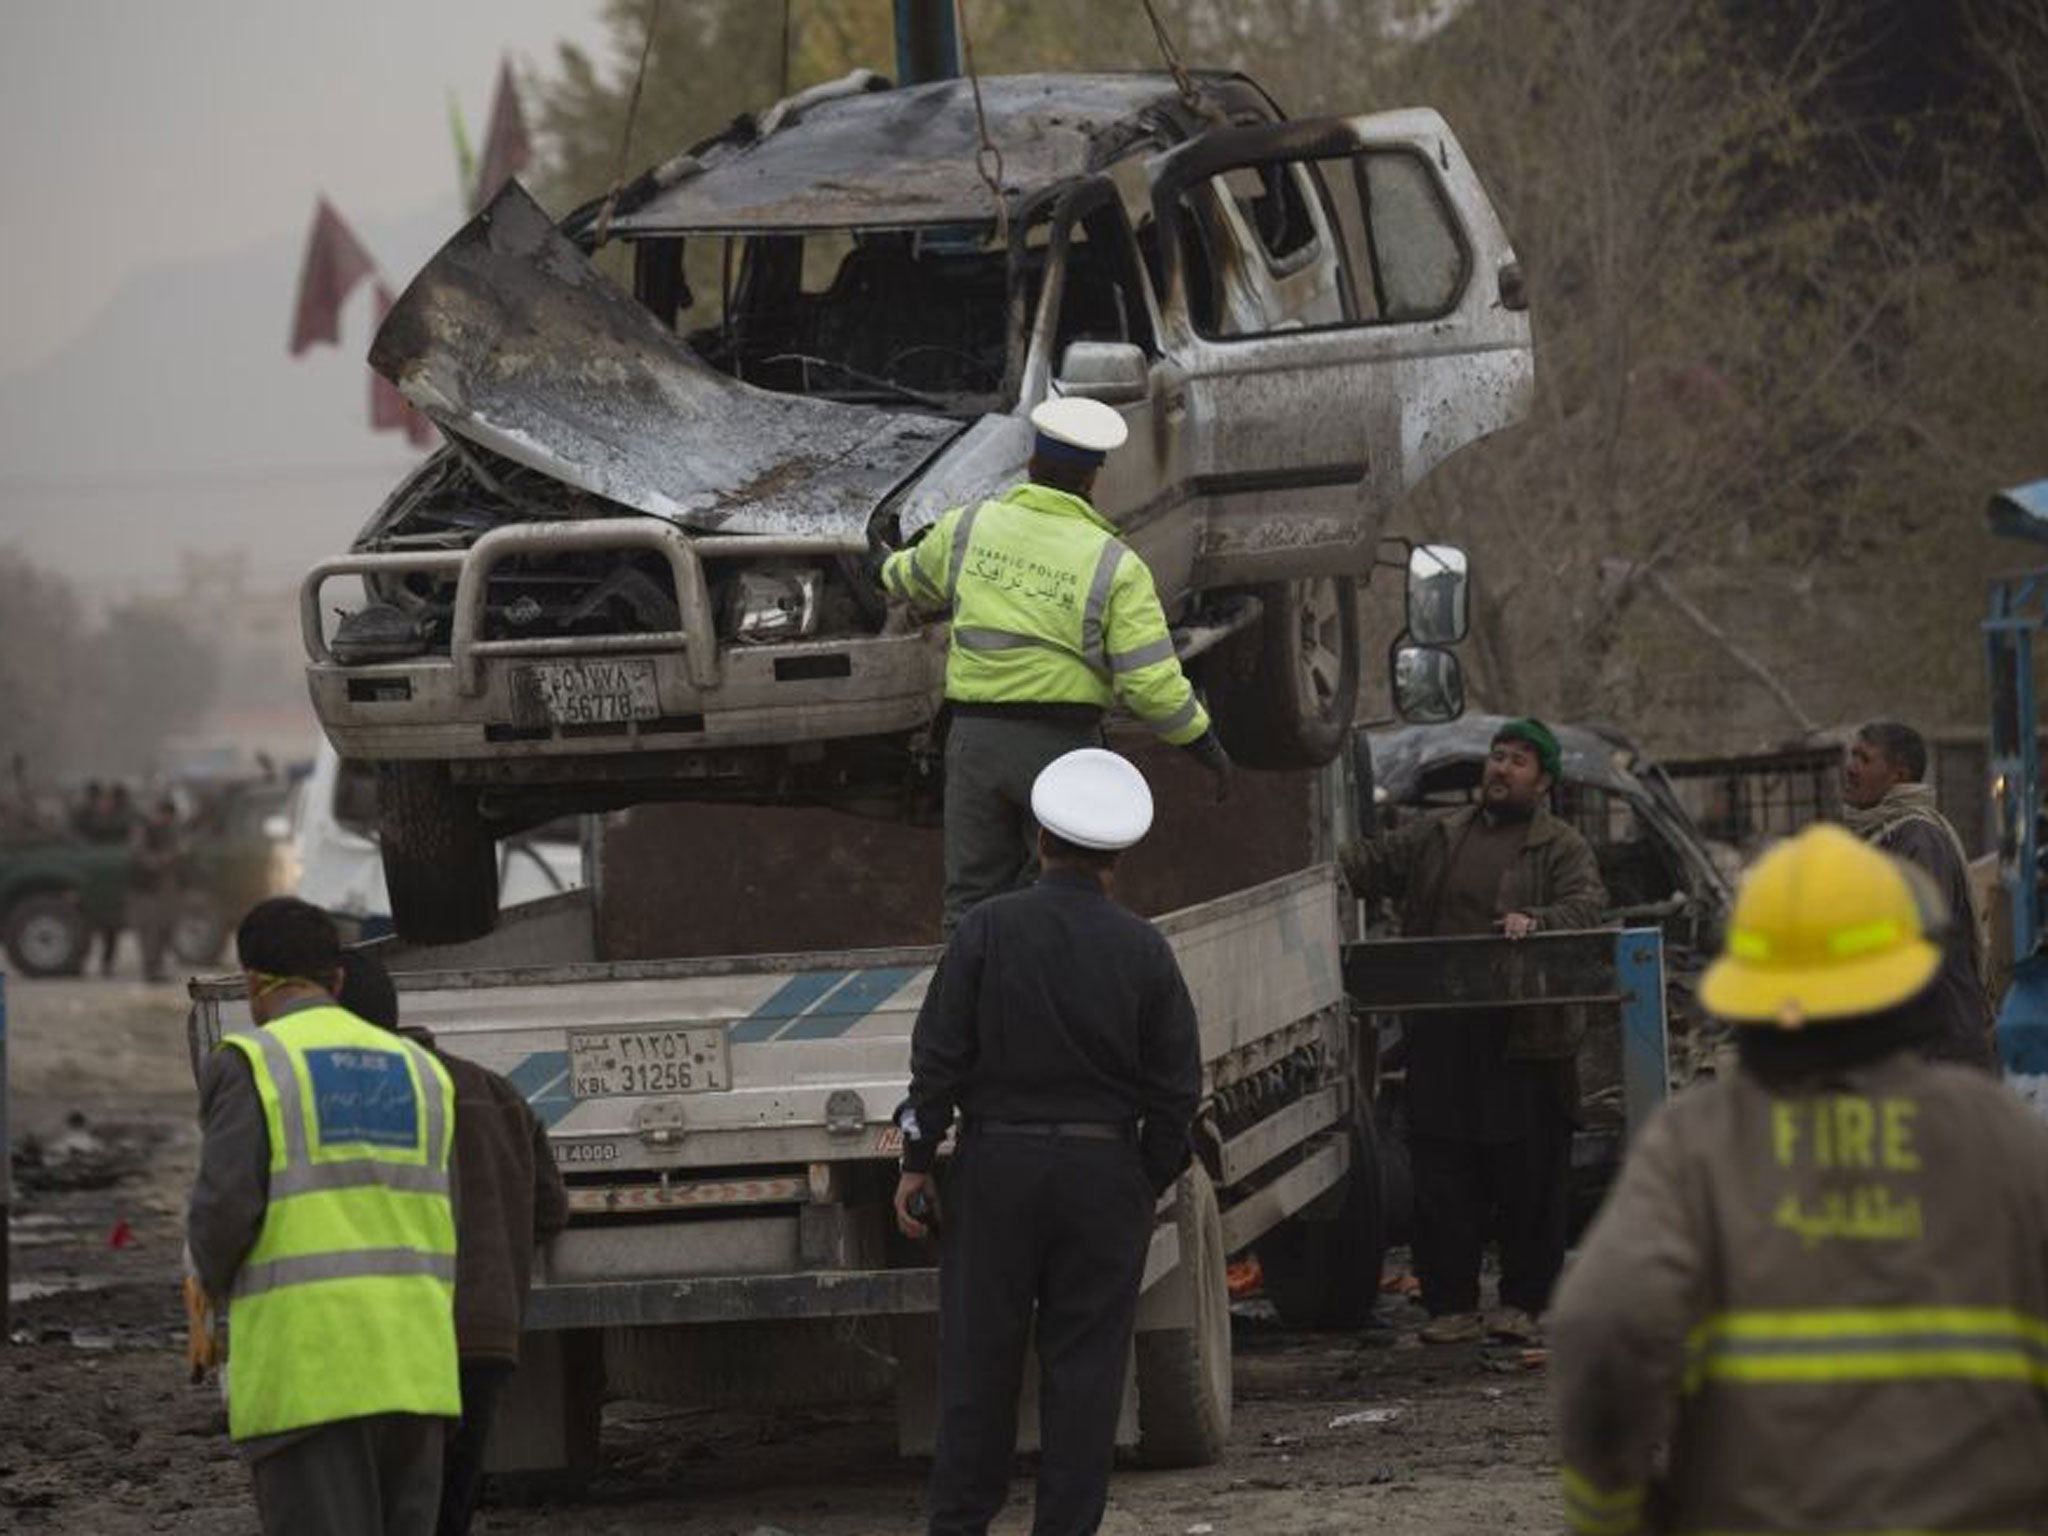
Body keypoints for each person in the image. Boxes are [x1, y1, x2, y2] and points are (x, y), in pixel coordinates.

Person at [1550, 824, 2048, 1534]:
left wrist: (1610, 1515)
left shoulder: (1697, 1145)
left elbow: (1603, 1332)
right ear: (1910, 981)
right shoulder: (2000, 1137)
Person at [894, 747, 1202, 1536]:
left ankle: (959, 1524)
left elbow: (938, 1057)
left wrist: (917, 1161)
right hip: (1105, 1176)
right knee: (1086, 1375)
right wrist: (1144, 1180)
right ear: (1119, 856)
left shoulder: (988, 928)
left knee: (978, 1368)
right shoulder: (1145, 950)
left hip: (997, 1171)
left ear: (1038, 840)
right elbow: (1176, 1091)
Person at [880, 396, 1233, 933]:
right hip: (1062, 751)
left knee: (970, 906)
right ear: (1093, 480)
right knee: (1064, 900)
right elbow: (1150, 686)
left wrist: (881, 563)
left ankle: (971, 1009)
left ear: (1031, 466)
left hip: (975, 743)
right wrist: (1204, 745)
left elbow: (907, 577)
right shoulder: (1115, 565)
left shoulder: (970, 528)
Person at [186, 898, 460, 1536]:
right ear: (337, 980)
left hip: (311, 1376)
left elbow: (223, 1214)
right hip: (416, 1374)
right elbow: (451, 1222)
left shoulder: (253, 1063)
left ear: (253, 984)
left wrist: (207, 1285)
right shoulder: (423, 1072)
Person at [1340, 717, 1606, 1344]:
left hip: (1525, 1038)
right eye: (1496, 756)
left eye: (1517, 761)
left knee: (1529, 1177)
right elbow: (1370, 865)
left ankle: (1524, 1304)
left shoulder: (1561, 846)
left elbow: (1587, 906)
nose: (1500, 769)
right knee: (1442, 1173)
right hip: (1444, 1035)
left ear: (1542, 783)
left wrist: (1537, 920)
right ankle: (1450, 1306)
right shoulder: (1440, 833)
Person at [336, 949, 570, 1536]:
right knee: (451, 1502)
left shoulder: (351, 1101)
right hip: (486, 1332)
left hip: (397, 1335)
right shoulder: (492, 1090)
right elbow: (549, 1209)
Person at [1840, 719, 1994, 1067]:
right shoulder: (1879, 836)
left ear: (1899, 774)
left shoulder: (1918, 839)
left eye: (1863, 759)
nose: (1849, 768)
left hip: (1938, 1051)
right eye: (1851, 756)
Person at [128, 794, 182, 982]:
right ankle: (150, 971)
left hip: (163, 888)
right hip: (145, 890)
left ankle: (157, 968)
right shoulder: (144, 830)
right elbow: (139, 856)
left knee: (164, 929)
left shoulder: (168, 830)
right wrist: (161, 859)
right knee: (149, 932)